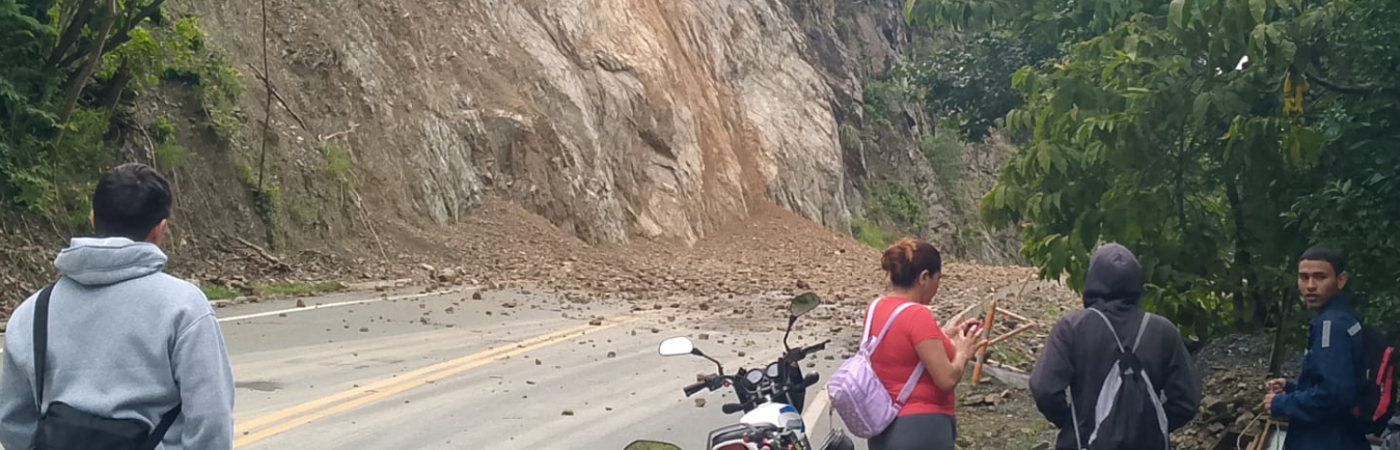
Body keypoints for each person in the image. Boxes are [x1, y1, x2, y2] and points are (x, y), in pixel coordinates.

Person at [0, 163, 235, 449]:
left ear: (92, 217)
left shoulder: (32, 312)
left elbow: (12, 421)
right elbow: (211, 421)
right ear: (160, 230)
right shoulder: (184, 307)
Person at [1030, 243, 1200, 449]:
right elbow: (1187, 400)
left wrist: (1070, 424)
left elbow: (1044, 389)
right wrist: (1153, 427)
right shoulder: (1163, 331)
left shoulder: (1071, 327)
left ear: (1092, 280)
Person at [866, 238, 985, 450]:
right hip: (921, 428)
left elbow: (903, 350)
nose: (937, 287)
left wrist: (942, 336)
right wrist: (962, 353)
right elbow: (946, 379)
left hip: (882, 428)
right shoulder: (917, 314)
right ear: (924, 277)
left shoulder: (875, 308)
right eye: (938, 279)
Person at [1263, 245, 1370, 450]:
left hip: (1325, 441)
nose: (1310, 286)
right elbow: (1339, 381)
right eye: (1304, 277)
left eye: (1320, 277)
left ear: (1341, 279)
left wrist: (1281, 403)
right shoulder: (1346, 319)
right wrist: (1291, 387)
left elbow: (1335, 394)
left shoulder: (1330, 325)